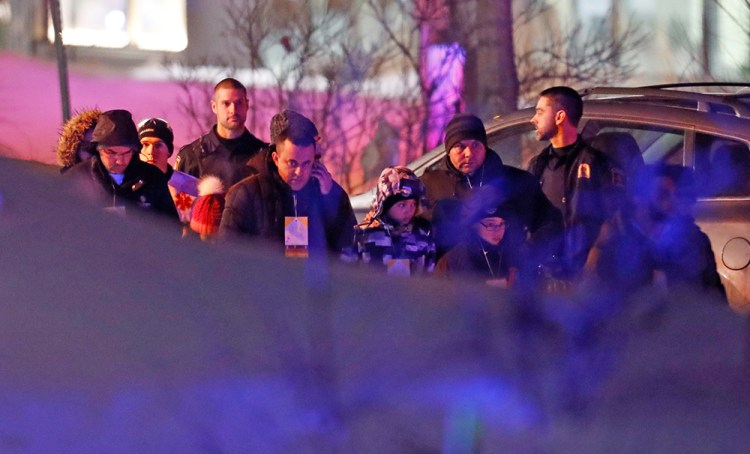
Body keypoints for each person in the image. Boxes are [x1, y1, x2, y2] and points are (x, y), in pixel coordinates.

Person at [420, 112, 563, 273]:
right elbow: (407, 231)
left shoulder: (515, 182)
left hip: (504, 287)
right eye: (460, 146)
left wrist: (524, 258)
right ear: (448, 150)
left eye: (475, 145)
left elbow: (551, 224)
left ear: (485, 147)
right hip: (446, 287)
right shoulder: (429, 184)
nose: (469, 153)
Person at [220, 109, 356, 257]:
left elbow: (349, 246)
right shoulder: (246, 194)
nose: (299, 172)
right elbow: (227, 256)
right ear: (276, 158)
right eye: (292, 163)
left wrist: (330, 198)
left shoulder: (327, 189)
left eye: (307, 163)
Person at [587, 165, 725, 302]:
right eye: (662, 194)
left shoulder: (696, 242)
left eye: (679, 195)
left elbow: (716, 299)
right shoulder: (617, 248)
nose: (672, 202)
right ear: (638, 198)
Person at [528, 86, 622, 278]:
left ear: (560, 116)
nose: (533, 119)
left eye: (539, 112)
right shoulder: (538, 165)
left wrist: (593, 261)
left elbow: (615, 217)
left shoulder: (597, 163)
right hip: (546, 279)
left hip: (586, 279)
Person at [65, 109, 178, 219]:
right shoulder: (77, 178)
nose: (119, 160)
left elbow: (172, 227)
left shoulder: (153, 178)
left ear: (134, 151)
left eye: (126, 153)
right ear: (98, 149)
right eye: (111, 153)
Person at [175, 78, 268, 188]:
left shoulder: (264, 156)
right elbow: (175, 202)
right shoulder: (191, 157)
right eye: (226, 103)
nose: (233, 110)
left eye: (239, 102)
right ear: (214, 106)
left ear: (247, 105)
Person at [346, 166, 436, 276]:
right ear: (385, 205)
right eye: (402, 205)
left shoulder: (422, 236)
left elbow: (428, 277)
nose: (409, 210)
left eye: (413, 204)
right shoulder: (362, 236)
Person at [435, 187, 520, 288]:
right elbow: (439, 296)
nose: (498, 230)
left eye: (501, 224)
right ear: (474, 225)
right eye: (490, 224)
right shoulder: (454, 259)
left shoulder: (513, 256)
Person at [138, 117, 199, 224]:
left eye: (158, 145)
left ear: (169, 150)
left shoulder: (193, 187)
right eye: (145, 144)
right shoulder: (125, 185)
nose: (151, 151)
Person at [56, 108, 101, 173]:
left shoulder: (116, 180)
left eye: (97, 145)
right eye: (86, 146)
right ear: (74, 148)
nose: (92, 151)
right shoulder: (62, 181)